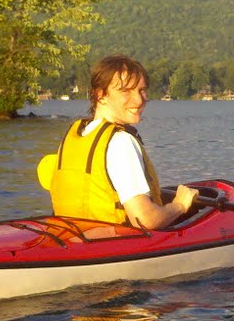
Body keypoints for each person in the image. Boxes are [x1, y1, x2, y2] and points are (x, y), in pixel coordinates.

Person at [49, 55, 199, 229]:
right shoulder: (121, 142)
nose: (139, 100)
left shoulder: (75, 134)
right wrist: (179, 205)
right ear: (101, 95)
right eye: (126, 91)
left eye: (142, 90)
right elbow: (144, 221)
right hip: (112, 247)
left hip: (71, 238)